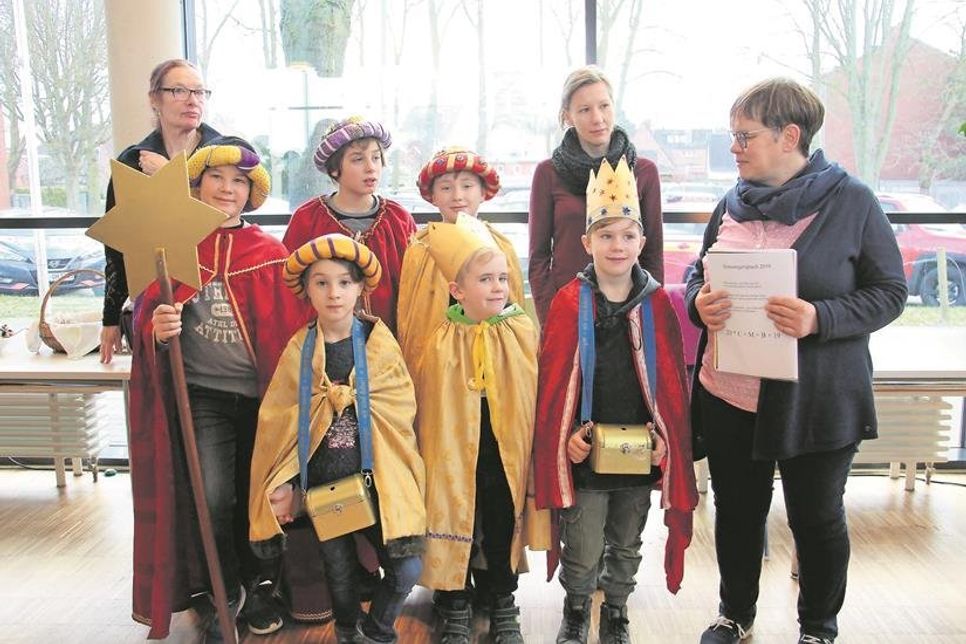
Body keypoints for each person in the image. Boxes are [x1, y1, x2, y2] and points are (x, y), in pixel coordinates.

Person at [686, 78, 907, 644]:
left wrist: (818, 318)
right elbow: (696, 273)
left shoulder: (852, 202)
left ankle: (818, 628)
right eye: (732, 135)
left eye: (745, 136)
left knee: (816, 517)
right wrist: (697, 302)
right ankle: (735, 614)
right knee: (738, 513)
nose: (734, 147)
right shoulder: (730, 202)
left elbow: (890, 293)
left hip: (816, 400)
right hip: (728, 393)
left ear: (790, 136)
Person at [129, 137, 304, 640]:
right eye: (216, 179)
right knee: (212, 496)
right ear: (197, 186)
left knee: (260, 498)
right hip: (203, 397)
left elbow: (291, 331)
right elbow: (145, 314)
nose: (227, 189)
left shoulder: (269, 253)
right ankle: (223, 591)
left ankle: (261, 587)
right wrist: (155, 329)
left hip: (262, 399)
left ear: (251, 192)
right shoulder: (175, 247)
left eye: (239, 181)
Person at [533, 157, 698, 644]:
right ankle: (576, 611)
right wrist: (567, 437)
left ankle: (617, 612)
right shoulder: (569, 302)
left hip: (640, 453)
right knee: (582, 544)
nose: (617, 245)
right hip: (586, 453)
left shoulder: (658, 304)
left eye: (627, 236)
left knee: (626, 542)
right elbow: (554, 388)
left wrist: (664, 439)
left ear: (642, 243)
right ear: (587, 243)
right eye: (605, 235)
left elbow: (670, 387)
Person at [249, 234, 426, 644]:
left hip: (378, 483)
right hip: (324, 487)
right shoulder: (299, 349)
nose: (334, 293)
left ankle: (377, 630)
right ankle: (348, 632)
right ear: (307, 290)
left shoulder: (379, 344)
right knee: (340, 574)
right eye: (322, 283)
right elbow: (280, 420)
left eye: (345, 282)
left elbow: (398, 409)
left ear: (361, 288)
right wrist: (288, 483)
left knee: (406, 567)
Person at [403, 214, 540, 644]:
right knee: (453, 517)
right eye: (485, 279)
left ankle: (502, 598)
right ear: (457, 290)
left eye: (502, 277)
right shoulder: (442, 339)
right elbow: (433, 403)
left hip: (502, 453)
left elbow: (528, 394)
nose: (498, 287)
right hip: (453, 457)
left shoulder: (519, 329)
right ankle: (454, 600)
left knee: (500, 521)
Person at [100, 58, 221, 364]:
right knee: (163, 382)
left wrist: (171, 177)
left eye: (199, 91)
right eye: (179, 91)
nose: (192, 100)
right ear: (155, 99)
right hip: (156, 298)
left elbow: (229, 219)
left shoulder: (223, 154)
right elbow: (118, 246)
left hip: (216, 294)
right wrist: (110, 318)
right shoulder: (132, 162)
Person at [528, 65, 664, 325]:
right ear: (567, 116)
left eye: (604, 106)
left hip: (629, 313)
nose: (597, 118)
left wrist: (649, 317)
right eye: (584, 110)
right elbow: (538, 259)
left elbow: (653, 254)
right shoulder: (548, 173)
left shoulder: (644, 172)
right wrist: (552, 319)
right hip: (568, 310)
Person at [282, 116, 416, 333]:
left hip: (389, 339)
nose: (371, 168)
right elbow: (289, 288)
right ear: (335, 169)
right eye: (358, 159)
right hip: (322, 340)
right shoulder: (307, 219)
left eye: (376, 158)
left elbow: (415, 285)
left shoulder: (398, 219)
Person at [396, 146, 526, 369]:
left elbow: (514, 311)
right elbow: (413, 319)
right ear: (433, 196)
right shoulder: (421, 247)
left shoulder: (500, 245)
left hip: (490, 360)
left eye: (467, 186)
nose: (457, 196)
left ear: (482, 192)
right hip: (438, 362)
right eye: (446, 188)